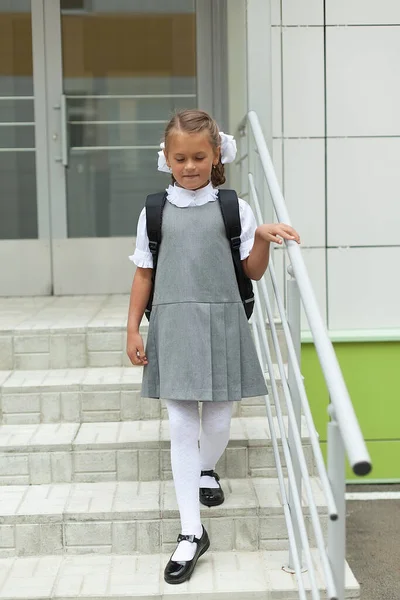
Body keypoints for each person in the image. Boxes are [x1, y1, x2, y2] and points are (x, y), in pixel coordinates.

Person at [126, 109, 300, 585]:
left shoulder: (233, 207)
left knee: (219, 418)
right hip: (175, 322)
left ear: (216, 154)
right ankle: (190, 532)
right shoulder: (154, 211)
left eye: (198, 156)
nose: (189, 166)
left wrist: (261, 236)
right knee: (182, 421)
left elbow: (253, 271)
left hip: (222, 321)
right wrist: (132, 330)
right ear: (166, 157)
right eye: (179, 157)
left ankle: (205, 469)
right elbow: (144, 272)